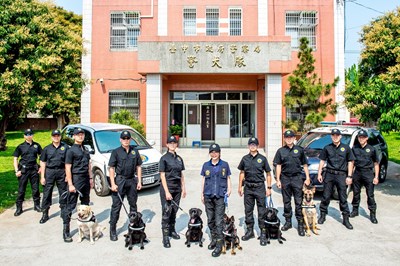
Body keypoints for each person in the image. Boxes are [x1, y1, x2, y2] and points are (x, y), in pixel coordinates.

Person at [274, 130, 311, 236]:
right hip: (285, 178)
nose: (289, 139)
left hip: (297, 178)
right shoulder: (280, 151)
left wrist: (307, 178)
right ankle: (288, 222)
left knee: (298, 202)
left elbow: (304, 165)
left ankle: (300, 224)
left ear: (294, 138)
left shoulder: (299, 150)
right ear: (284, 139)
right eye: (287, 137)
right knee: (286, 202)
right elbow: (278, 165)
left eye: (291, 137)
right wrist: (278, 179)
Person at [108, 130, 143, 241]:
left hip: (132, 180)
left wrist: (139, 181)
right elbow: (111, 168)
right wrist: (113, 183)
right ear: (120, 140)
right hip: (120, 181)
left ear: (130, 139)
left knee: (133, 205)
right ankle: (112, 230)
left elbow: (138, 166)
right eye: (124, 138)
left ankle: (134, 227)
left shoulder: (134, 151)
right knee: (116, 206)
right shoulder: (116, 152)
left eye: (128, 138)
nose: (126, 140)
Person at [317, 128, 355, 229]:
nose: (335, 137)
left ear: (340, 136)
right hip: (329, 174)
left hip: (341, 175)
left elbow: (350, 162)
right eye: (333, 135)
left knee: (343, 197)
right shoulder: (327, 148)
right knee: (325, 196)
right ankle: (322, 215)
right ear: (331, 137)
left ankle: (346, 219)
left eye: (337, 135)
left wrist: (349, 176)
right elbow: (322, 160)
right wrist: (319, 173)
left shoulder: (346, 148)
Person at [238, 137, 272, 246]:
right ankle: (250, 231)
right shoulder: (244, 159)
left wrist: (269, 188)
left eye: (254, 144)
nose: (252, 146)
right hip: (248, 187)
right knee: (248, 210)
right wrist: (240, 186)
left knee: (262, 211)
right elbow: (242, 173)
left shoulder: (262, 158)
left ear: (257, 146)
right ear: (248, 146)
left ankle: (263, 232)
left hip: (260, 187)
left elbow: (268, 173)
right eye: (250, 144)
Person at [201, 143, 232, 257]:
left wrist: (229, 189)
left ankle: (219, 245)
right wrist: (202, 194)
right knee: (210, 220)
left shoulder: (225, 165)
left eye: (216, 152)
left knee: (219, 221)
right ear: (209, 153)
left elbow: (228, 177)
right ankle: (214, 239)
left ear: (219, 153)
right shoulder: (205, 165)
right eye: (212, 152)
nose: (214, 154)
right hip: (208, 195)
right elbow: (204, 179)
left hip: (220, 196)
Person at [64, 127, 93, 242]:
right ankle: (66, 232)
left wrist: (91, 178)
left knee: (85, 205)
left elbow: (88, 165)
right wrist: (70, 184)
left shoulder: (85, 149)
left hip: (85, 179)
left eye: (82, 134)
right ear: (74, 136)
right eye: (78, 134)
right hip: (76, 179)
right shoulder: (71, 150)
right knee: (70, 206)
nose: (80, 136)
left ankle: (85, 229)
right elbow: (67, 167)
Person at [159, 135, 186, 248]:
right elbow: (162, 175)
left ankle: (172, 230)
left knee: (174, 211)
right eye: (170, 143)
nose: (172, 145)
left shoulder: (179, 158)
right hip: (167, 188)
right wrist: (167, 192)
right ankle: (165, 237)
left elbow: (181, 174)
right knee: (166, 212)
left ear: (176, 145)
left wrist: (183, 188)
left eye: (174, 143)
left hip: (177, 189)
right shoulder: (164, 158)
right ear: (167, 145)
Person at [39, 129, 69, 224]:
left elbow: (68, 163)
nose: (56, 137)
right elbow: (43, 162)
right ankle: (45, 213)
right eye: (54, 136)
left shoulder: (66, 147)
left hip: (61, 172)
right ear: (52, 137)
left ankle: (63, 212)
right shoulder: (46, 149)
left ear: (60, 136)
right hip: (50, 172)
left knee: (63, 192)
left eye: (58, 136)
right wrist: (42, 177)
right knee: (47, 193)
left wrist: (68, 176)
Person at [350, 129, 380, 224]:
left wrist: (376, 177)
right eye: (359, 137)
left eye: (363, 137)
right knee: (355, 193)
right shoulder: (354, 148)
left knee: (370, 195)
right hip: (357, 172)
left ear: (366, 138)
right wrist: (350, 175)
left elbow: (376, 163)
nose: (361, 139)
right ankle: (355, 210)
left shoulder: (372, 149)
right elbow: (352, 163)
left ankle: (372, 214)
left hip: (368, 173)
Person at [13, 129, 42, 216]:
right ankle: (19, 208)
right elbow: (15, 158)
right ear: (24, 136)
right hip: (23, 170)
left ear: (32, 135)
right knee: (21, 190)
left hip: (34, 169)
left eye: (30, 134)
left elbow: (42, 157)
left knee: (36, 189)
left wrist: (40, 168)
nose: (29, 136)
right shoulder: (20, 146)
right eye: (27, 134)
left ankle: (36, 205)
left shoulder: (37, 146)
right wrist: (16, 170)